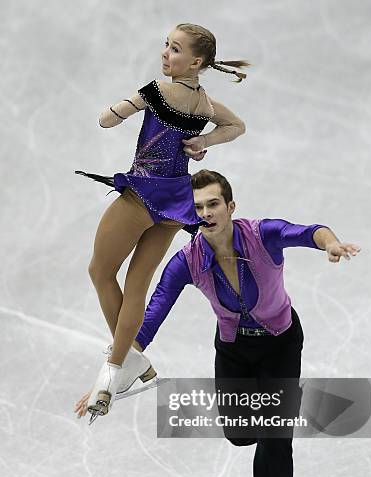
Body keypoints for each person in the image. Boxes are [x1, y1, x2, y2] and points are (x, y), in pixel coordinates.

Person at [74, 169, 361, 477]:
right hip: (233, 352)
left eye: (213, 204)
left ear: (230, 207)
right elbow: (145, 322)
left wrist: (331, 244)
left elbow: (310, 231)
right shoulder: (185, 261)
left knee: (273, 443)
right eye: (198, 207)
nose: (206, 213)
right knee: (240, 434)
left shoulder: (262, 235)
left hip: (280, 346)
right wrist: (108, 378)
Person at [74, 23, 248, 420]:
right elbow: (236, 126)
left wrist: (123, 106)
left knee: (100, 271)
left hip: (141, 196)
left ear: (196, 61)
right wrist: (204, 141)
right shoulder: (204, 104)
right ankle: (123, 365)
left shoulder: (155, 91)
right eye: (166, 46)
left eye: (174, 49)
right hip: (175, 204)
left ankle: (121, 364)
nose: (165, 54)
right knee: (137, 285)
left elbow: (105, 120)